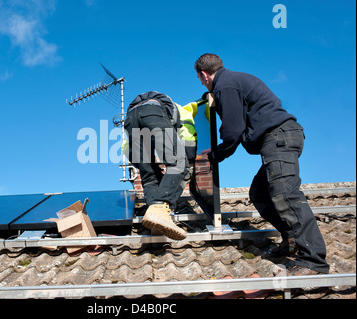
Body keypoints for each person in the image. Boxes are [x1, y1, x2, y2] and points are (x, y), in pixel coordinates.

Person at [194, 53, 330, 275]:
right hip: (282, 137)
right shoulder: (233, 81)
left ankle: (313, 261)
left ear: (203, 74)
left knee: (285, 195)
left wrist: (217, 154)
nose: (202, 83)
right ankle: (291, 239)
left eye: (201, 80)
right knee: (260, 193)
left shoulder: (225, 85)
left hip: (278, 137)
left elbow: (233, 130)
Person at [124, 91, 198, 240]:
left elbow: (127, 147)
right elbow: (188, 138)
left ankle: (156, 218)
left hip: (129, 119)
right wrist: (189, 159)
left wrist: (145, 166)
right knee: (179, 163)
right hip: (152, 112)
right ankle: (160, 206)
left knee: (150, 176)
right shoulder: (186, 112)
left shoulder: (138, 110)